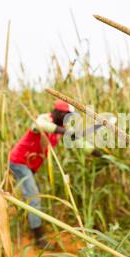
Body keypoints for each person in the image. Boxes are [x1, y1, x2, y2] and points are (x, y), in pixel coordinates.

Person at [9, 99, 101, 248]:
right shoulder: (44, 119)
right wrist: (66, 131)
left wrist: (97, 153)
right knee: (34, 198)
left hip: (31, 165)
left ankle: (29, 223)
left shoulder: (60, 127)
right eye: (67, 115)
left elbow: (77, 141)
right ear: (58, 113)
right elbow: (39, 125)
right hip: (19, 162)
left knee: (31, 195)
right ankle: (39, 239)